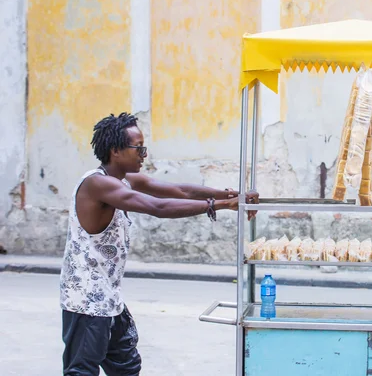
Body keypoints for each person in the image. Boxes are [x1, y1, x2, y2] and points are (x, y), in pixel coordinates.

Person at [59, 112, 259, 375]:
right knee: (82, 370)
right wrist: (220, 206)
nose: (144, 154)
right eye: (138, 148)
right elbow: (157, 206)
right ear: (115, 151)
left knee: (126, 365)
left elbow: (179, 191)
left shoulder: (125, 180)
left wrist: (231, 196)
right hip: (86, 300)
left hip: (108, 297)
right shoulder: (98, 184)